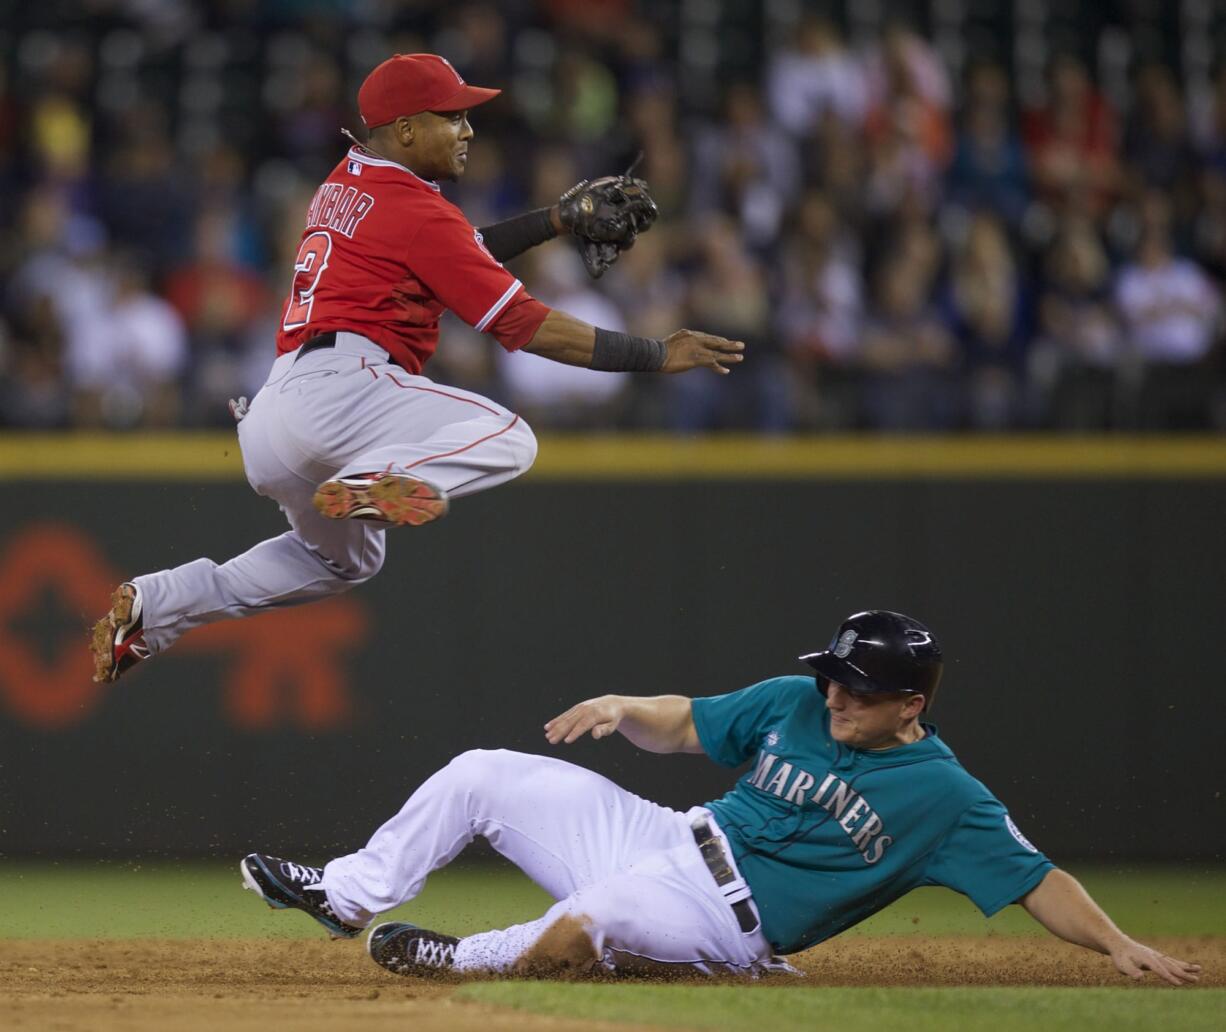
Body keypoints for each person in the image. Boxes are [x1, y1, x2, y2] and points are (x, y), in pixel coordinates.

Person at [90, 53, 743, 683]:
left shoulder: (348, 180)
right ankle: (386, 475)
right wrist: (656, 354)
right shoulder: (417, 210)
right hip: (346, 398)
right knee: (512, 437)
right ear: (405, 129)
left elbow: (453, 254)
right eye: (450, 117)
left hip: (274, 416)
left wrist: (553, 220)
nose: (467, 130)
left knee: (345, 562)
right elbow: (525, 326)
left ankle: (159, 606)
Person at [239, 611, 1201, 985]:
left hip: (726, 913)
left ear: (911, 702)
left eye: (857, 689)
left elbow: (1036, 878)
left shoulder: (943, 796)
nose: (834, 696)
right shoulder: (797, 701)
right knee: (481, 772)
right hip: (665, 835)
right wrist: (625, 708)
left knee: (590, 922)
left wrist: (1117, 942)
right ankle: (347, 895)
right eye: (832, 677)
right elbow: (689, 723)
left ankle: (465, 959)